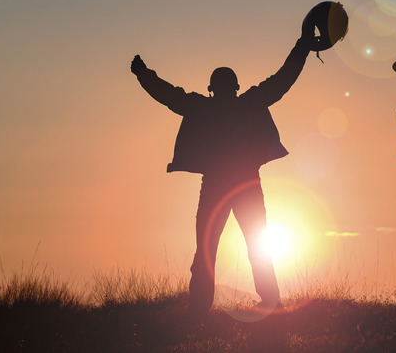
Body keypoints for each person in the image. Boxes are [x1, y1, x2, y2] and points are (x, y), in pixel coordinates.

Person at [130, 36, 317, 315]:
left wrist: (143, 74)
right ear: (236, 87)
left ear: (211, 89)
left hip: (216, 187)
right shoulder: (250, 102)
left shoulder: (201, 107)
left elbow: (168, 95)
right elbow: (282, 80)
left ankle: (199, 308)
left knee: (207, 250)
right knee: (257, 246)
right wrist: (302, 47)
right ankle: (269, 302)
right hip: (247, 185)